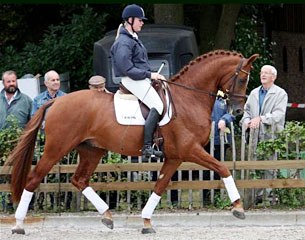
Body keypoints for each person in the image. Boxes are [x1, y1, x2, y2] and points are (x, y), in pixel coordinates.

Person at [110, 4, 166, 161]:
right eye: (140, 20)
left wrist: (150, 75)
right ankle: (147, 147)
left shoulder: (132, 38)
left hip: (140, 77)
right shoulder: (124, 42)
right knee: (158, 105)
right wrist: (151, 74)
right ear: (130, 20)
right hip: (131, 79)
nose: (142, 23)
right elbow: (127, 68)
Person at [240, 64, 288, 203]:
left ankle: (269, 195)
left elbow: (278, 114)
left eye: (267, 73)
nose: (263, 75)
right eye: (262, 72)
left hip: (271, 135)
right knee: (254, 163)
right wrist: (247, 121)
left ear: (274, 77)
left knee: (269, 164)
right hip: (254, 135)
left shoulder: (280, 93)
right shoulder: (254, 93)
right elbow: (247, 111)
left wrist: (261, 119)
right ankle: (256, 195)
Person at [203, 91, 235, 204]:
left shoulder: (224, 99)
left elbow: (232, 113)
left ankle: (216, 198)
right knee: (205, 170)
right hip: (204, 141)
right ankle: (206, 199)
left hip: (220, 141)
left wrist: (224, 119)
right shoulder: (202, 96)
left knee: (218, 170)